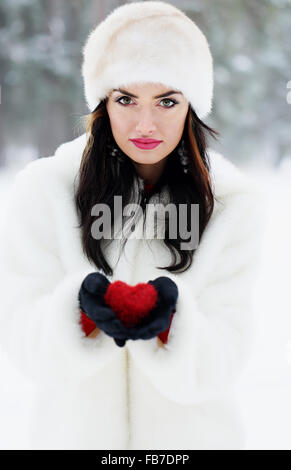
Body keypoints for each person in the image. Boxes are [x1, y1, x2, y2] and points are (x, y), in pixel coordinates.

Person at [0, 1, 265, 450]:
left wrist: (171, 325)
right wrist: (77, 315)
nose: (146, 123)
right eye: (126, 99)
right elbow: (24, 345)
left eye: (167, 100)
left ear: (192, 105)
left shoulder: (230, 206)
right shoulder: (44, 192)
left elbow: (227, 355)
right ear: (102, 102)